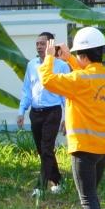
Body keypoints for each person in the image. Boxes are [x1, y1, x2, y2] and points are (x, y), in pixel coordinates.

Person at [40, 27, 105, 209]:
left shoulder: (81, 79)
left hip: (84, 148)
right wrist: (71, 58)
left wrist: (49, 58)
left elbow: (48, 80)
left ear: (84, 55)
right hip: (104, 148)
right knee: (91, 195)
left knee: (88, 199)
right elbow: (85, 76)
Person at [17, 31, 69, 196]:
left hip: (52, 112)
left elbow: (66, 94)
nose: (39, 46)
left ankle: (40, 187)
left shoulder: (61, 66)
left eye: (42, 43)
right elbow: (27, 90)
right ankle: (59, 181)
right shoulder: (32, 65)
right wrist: (21, 111)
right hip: (35, 112)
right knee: (43, 150)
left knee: (47, 148)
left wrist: (66, 117)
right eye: (37, 44)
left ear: (51, 46)